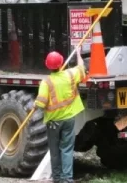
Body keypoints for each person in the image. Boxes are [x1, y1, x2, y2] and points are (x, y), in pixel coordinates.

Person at [33, 48, 86, 183]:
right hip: (69, 119)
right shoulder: (70, 75)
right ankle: (67, 178)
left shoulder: (46, 82)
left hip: (53, 122)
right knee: (67, 149)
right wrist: (79, 54)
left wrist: (35, 105)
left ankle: (57, 178)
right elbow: (81, 68)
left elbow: (41, 103)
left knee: (55, 151)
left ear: (47, 66)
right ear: (62, 63)